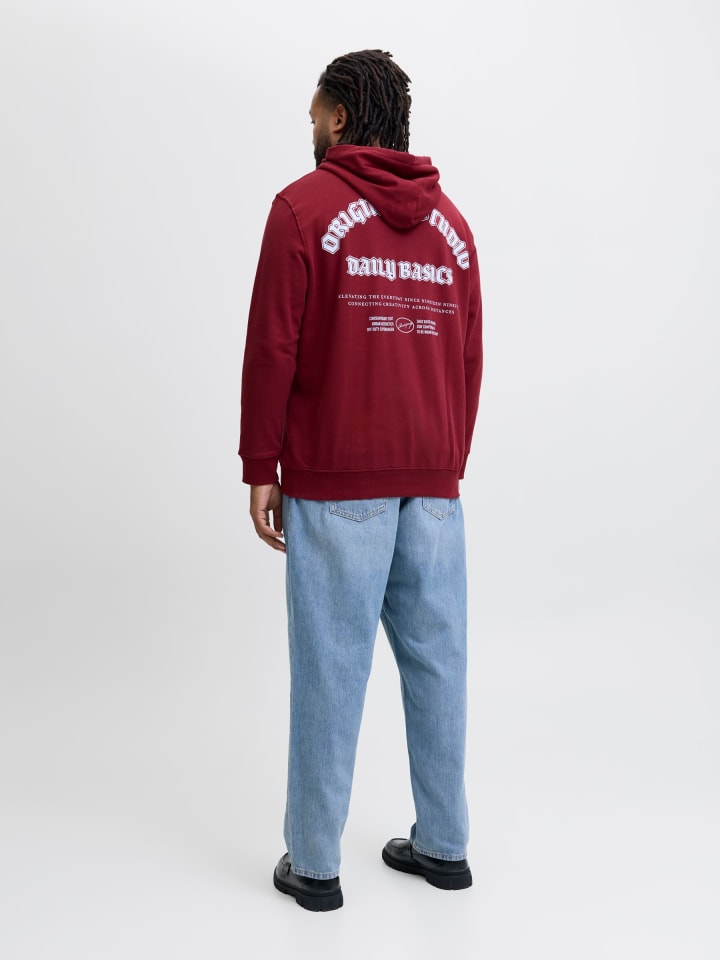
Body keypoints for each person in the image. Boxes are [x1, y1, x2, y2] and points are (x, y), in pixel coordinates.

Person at [239, 49, 483, 911]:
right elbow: (469, 358)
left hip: (338, 479)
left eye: (315, 112)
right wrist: (445, 464)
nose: (309, 126)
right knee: (439, 664)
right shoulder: (453, 227)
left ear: (341, 115)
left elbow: (273, 346)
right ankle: (444, 846)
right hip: (434, 485)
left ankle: (314, 864)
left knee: (330, 670)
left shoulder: (301, 209)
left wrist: (260, 465)